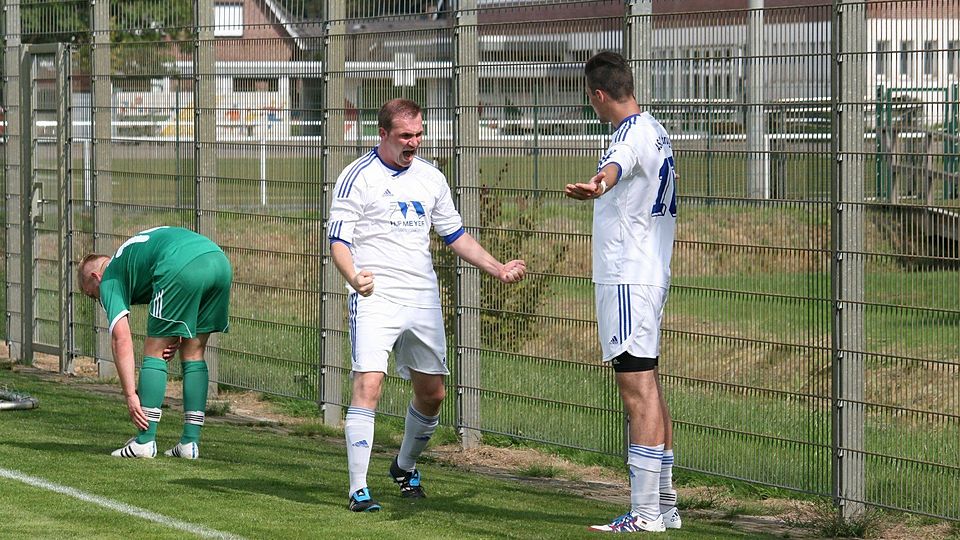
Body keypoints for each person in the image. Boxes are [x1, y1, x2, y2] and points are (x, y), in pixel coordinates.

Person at [328, 98, 526, 512]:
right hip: (374, 295)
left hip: (422, 298)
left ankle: (403, 466)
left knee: (433, 394)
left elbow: (455, 235)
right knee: (369, 384)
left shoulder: (431, 178)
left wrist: (497, 267)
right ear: (382, 134)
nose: (414, 142)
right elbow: (338, 241)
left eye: (418, 134)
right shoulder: (357, 177)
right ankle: (357, 489)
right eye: (405, 135)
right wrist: (353, 278)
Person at [564, 51, 680, 533]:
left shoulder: (629, 135)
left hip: (628, 277)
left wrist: (597, 183)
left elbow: (615, 166)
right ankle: (665, 505)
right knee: (648, 384)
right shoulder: (656, 128)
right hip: (647, 270)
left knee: (636, 389)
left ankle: (645, 513)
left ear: (598, 94)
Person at [77, 226, 232, 460]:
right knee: (193, 353)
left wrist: (130, 395)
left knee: (154, 351)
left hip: (179, 266)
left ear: (95, 277)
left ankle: (145, 440)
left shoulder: (109, 278)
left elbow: (121, 339)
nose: (98, 300)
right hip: (218, 262)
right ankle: (190, 443)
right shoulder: (132, 256)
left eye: (92, 295)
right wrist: (178, 331)